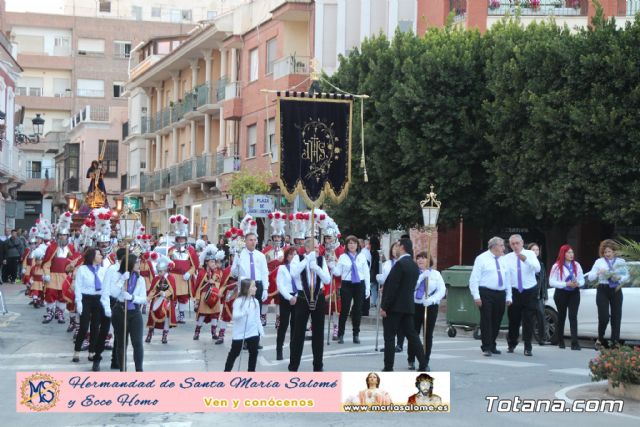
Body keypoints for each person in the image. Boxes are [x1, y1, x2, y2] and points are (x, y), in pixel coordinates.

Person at [380, 238, 427, 372]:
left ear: (402, 247)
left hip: (394, 307)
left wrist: (384, 306)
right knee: (412, 336)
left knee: (389, 337)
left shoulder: (400, 264)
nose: (395, 249)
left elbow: (393, 288)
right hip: (407, 306)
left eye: (397, 246)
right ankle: (423, 363)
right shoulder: (413, 265)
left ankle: (388, 366)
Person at [288, 237, 331, 372]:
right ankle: (294, 365)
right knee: (298, 333)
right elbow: (293, 273)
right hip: (302, 298)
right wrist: (307, 260)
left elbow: (327, 279)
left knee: (318, 333)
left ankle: (318, 365)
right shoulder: (298, 259)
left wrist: (316, 268)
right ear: (307, 249)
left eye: (318, 247)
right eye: (315, 247)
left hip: (318, 297)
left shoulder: (320, 260)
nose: (318, 250)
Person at [469, 237, 512, 357]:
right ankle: (486, 346)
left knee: (497, 320)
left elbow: (507, 278)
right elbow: (474, 278)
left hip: (500, 293)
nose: (504, 248)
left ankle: (492, 344)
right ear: (494, 247)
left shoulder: (504, 259)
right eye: (502, 245)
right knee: (487, 319)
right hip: (486, 292)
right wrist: (476, 296)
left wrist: (509, 296)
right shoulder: (482, 258)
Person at [72, 248, 111, 371]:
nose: (101, 256)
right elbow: (78, 287)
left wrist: (106, 303)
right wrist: (78, 302)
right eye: (99, 254)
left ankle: (92, 351)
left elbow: (106, 288)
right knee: (83, 326)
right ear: (93, 256)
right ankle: (77, 351)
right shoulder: (82, 269)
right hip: (85, 299)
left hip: (98, 299)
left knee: (95, 326)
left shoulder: (104, 270)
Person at [587, 239, 629, 349]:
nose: (607, 254)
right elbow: (590, 277)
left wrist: (619, 277)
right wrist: (597, 272)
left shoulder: (621, 262)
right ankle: (600, 338)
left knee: (616, 317)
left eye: (609, 252)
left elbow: (627, 276)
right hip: (603, 288)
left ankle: (614, 342)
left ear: (614, 251)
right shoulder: (599, 262)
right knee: (604, 316)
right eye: (605, 252)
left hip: (616, 289)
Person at [231, 228, 269, 348]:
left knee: (256, 313)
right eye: (250, 240)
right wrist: (236, 263)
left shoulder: (261, 256)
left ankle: (255, 341)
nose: (253, 242)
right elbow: (234, 273)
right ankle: (244, 340)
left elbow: (264, 272)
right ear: (245, 242)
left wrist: (266, 288)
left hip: (257, 284)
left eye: (254, 240)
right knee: (246, 312)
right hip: (246, 285)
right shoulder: (240, 255)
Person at [408, 252, 445, 371]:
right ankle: (411, 359)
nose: (420, 260)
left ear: (429, 260)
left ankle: (424, 361)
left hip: (430, 307)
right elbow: (410, 287)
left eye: (423, 258)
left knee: (427, 334)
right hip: (415, 305)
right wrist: (421, 277)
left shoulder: (436, 274)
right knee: (414, 333)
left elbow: (442, 290)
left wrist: (432, 300)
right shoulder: (413, 273)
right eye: (418, 258)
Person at [505, 234, 541, 356]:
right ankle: (512, 343)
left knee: (528, 319)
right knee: (513, 319)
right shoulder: (508, 257)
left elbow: (537, 269)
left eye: (517, 243)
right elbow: (507, 277)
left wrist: (525, 260)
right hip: (515, 291)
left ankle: (528, 346)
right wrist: (508, 295)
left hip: (529, 290)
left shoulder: (530, 254)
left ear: (522, 243)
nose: (515, 246)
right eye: (512, 244)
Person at [42, 212, 81, 325]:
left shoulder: (70, 248)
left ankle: (60, 312)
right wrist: (47, 274)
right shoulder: (52, 247)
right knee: (50, 293)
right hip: (53, 275)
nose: (62, 237)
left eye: (64, 235)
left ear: (67, 236)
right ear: (57, 236)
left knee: (62, 295)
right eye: (61, 235)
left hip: (64, 275)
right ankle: (50, 312)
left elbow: (73, 262)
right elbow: (47, 262)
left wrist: (72, 274)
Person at [110, 254, 146, 372]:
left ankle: (139, 370)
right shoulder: (119, 276)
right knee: (122, 343)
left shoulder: (140, 279)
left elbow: (144, 299)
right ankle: (122, 370)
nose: (138, 264)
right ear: (129, 264)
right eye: (136, 262)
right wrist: (122, 280)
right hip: (120, 312)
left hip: (135, 312)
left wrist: (132, 297)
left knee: (137, 343)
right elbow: (114, 293)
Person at [333, 235, 370, 344]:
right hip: (347, 284)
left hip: (359, 283)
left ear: (357, 245)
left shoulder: (362, 256)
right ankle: (340, 334)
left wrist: (367, 288)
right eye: (349, 243)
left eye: (354, 243)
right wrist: (331, 265)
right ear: (346, 245)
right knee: (344, 309)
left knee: (357, 310)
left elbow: (366, 273)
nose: (352, 245)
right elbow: (338, 273)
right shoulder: (343, 257)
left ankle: (356, 334)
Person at [224, 279, 264, 372]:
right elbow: (235, 316)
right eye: (253, 286)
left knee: (254, 353)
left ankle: (251, 372)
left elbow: (257, 318)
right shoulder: (238, 301)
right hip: (240, 332)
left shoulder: (255, 302)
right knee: (234, 353)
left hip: (253, 332)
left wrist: (260, 331)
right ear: (247, 289)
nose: (256, 288)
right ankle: (226, 372)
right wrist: (243, 313)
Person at [549, 244, 584, 350]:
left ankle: (574, 342)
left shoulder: (576, 265)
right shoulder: (556, 266)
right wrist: (565, 284)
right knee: (562, 316)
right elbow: (552, 282)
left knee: (573, 316)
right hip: (561, 293)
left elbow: (582, 279)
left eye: (572, 252)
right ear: (563, 253)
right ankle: (560, 340)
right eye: (568, 252)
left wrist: (578, 283)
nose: (571, 254)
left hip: (574, 292)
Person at [167, 214, 199, 324]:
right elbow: (167, 263)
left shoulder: (190, 250)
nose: (181, 240)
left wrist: (189, 273)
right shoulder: (171, 250)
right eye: (179, 239)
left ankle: (181, 315)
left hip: (184, 278)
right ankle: (172, 314)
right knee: (173, 296)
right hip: (174, 277)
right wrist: (169, 267)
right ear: (176, 239)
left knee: (183, 297)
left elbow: (194, 265)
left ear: (185, 239)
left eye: (182, 239)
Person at [192, 244, 225, 341]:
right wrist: (197, 300)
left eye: (214, 261)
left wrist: (213, 282)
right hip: (204, 296)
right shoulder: (202, 273)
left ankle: (214, 333)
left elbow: (220, 284)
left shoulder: (218, 272)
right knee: (202, 314)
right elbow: (198, 287)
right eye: (211, 261)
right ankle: (197, 332)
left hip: (215, 295)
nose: (213, 263)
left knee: (215, 314)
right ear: (206, 262)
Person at [377, 242, 404, 353]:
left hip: (399, 295)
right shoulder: (387, 264)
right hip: (387, 293)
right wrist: (379, 278)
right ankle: (388, 344)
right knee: (387, 320)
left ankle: (399, 344)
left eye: (397, 248)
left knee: (399, 321)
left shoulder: (403, 263)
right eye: (393, 249)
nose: (395, 251)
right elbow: (383, 278)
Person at [145, 255, 177, 344]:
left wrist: (165, 294)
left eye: (161, 271)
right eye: (158, 271)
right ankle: (150, 334)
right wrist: (148, 298)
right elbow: (153, 290)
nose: (159, 273)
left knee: (166, 318)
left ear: (166, 270)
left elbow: (172, 290)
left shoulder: (170, 278)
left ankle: (164, 335)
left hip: (166, 301)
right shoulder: (156, 278)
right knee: (152, 317)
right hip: (156, 300)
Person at [275, 247, 299, 361]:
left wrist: (296, 296)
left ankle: (293, 350)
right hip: (286, 297)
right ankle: (279, 350)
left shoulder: (299, 268)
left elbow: (302, 284)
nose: (293, 257)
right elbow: (280, 285)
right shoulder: (282, 268)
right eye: (291, 254)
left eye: (295, 254)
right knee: (283, 325)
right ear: (287, 256)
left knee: (295, 325)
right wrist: (289, 297)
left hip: (297, 297)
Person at [106, 247, 127, 370]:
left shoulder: (128, 269)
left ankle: (117, 360)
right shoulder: (112, 270)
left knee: (120, 334)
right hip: (113, 301)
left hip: (124, 302)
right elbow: (111, 290)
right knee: (113, 331)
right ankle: (96, 356)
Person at [527, 243, 548, 346]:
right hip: (529, 294)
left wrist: (545, 295)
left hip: (539, 294)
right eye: (533, 250)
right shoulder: (526, 262)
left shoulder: (541, 264)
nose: (535, 252)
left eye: (537, 250)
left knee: (541, 316)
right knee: (528, 316)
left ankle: (541, 338)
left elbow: (544, 280)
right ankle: (527, 338)